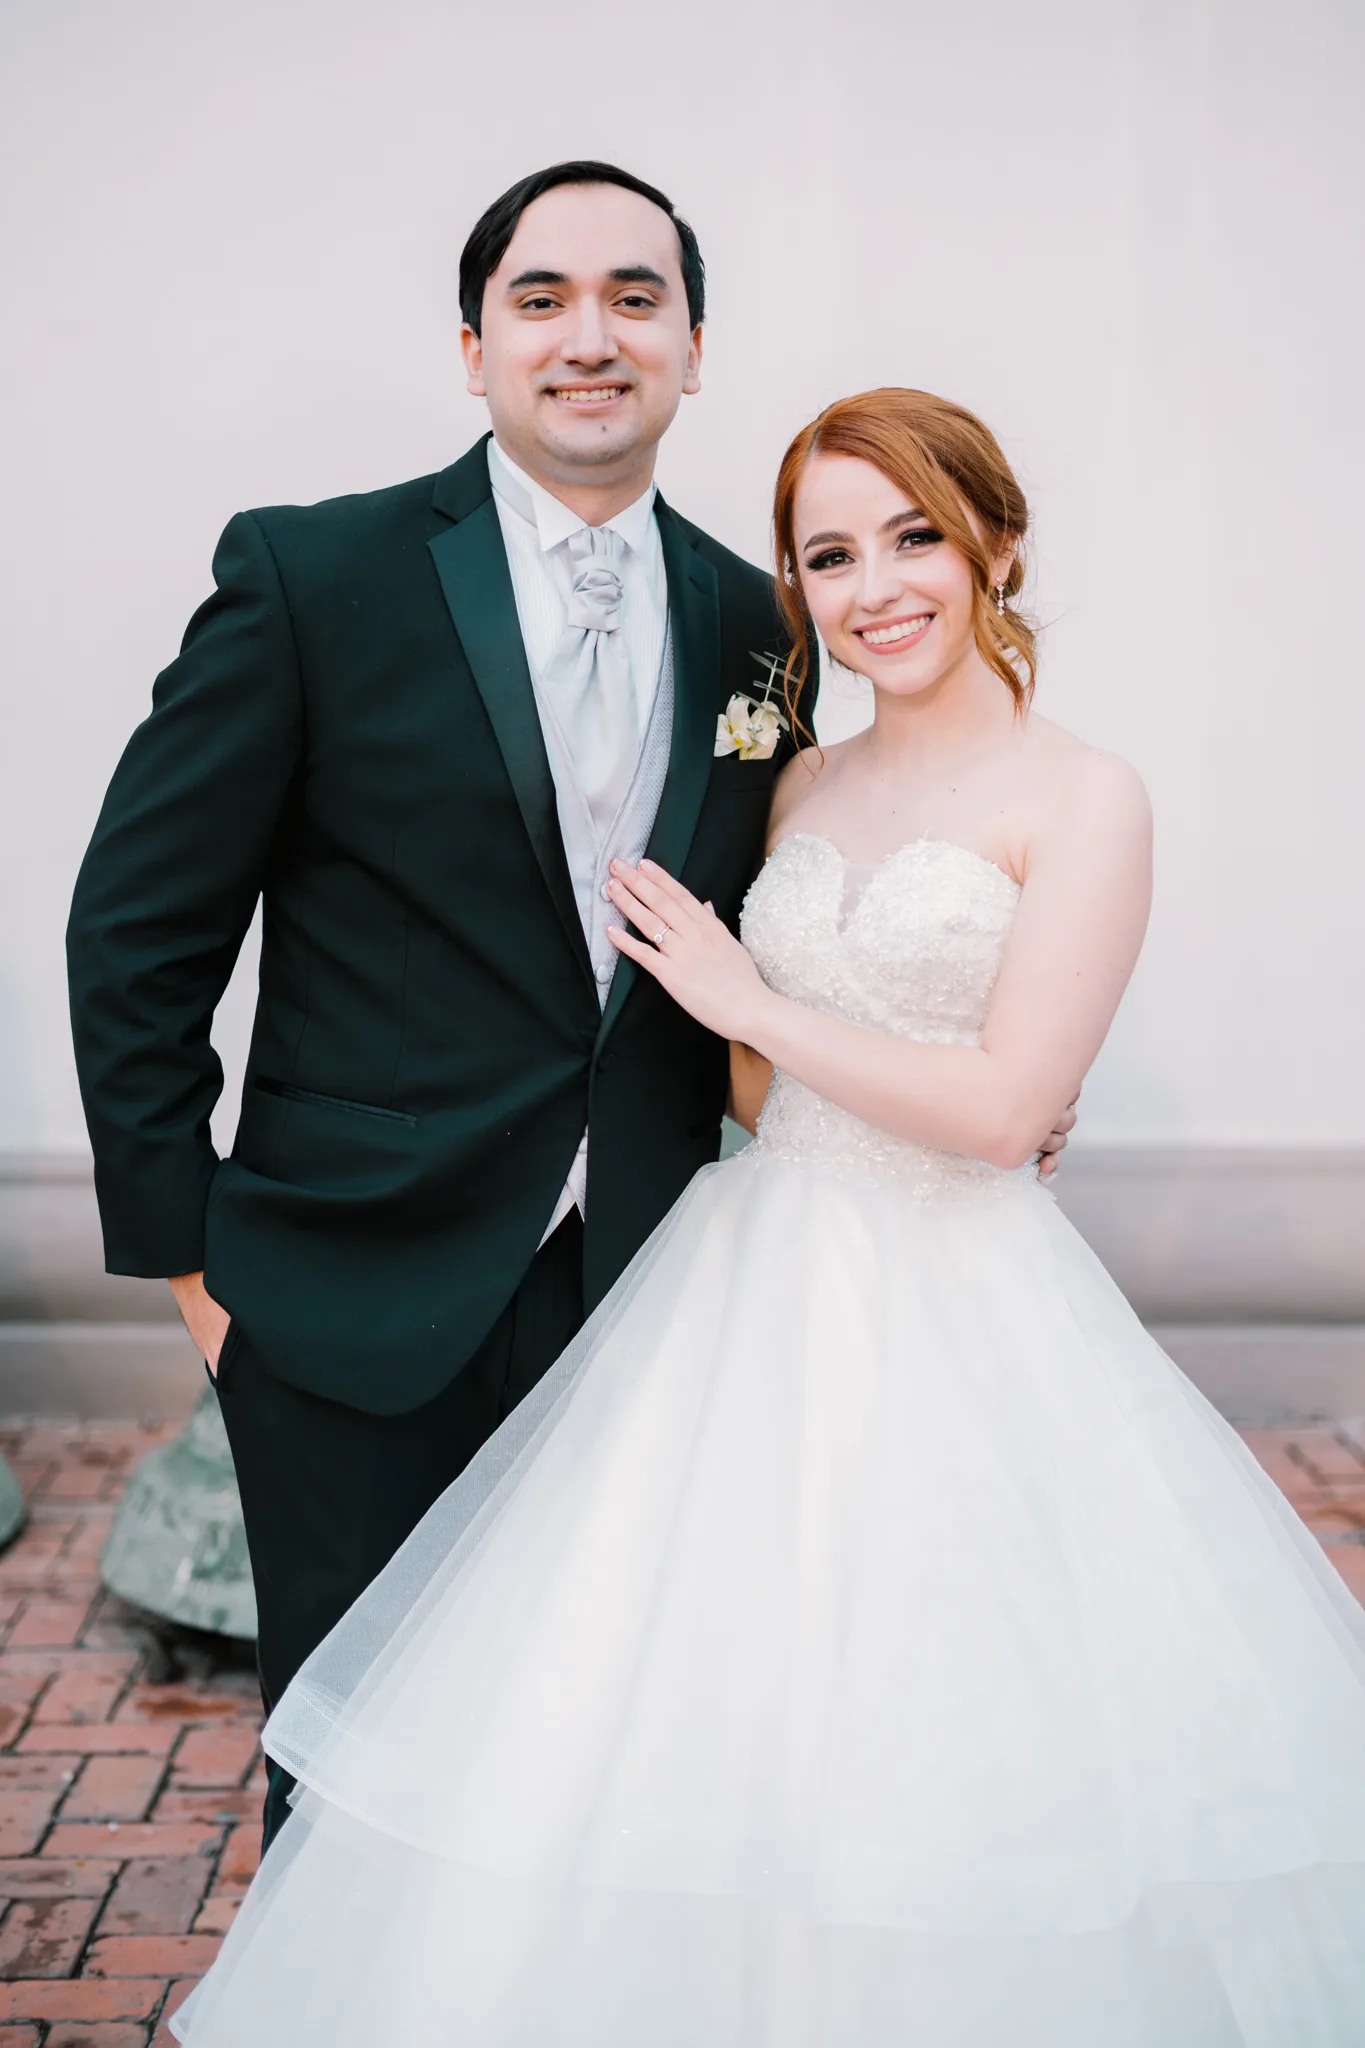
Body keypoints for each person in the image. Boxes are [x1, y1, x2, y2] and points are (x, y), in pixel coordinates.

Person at [171, 388, 1365, 2045]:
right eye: (828, 554)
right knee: (673, 1709)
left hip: (965, 1304)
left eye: (914, 537)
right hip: (755, 1278)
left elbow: (1010, 1107)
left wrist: (761, 1003)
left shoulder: (1088, 797)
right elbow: (753, 1088)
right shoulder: (796, 788)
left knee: (938, 1722)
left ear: (995, 545)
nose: (876, 584)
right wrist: (755, 1036)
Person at [71, 162, 999, 1846]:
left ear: (694, 349)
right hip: (345, 1300)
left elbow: (778, 948)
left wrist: (969, 1075)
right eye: (544, 298)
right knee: (350, 1788)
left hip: (648, 1298)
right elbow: (137, 928)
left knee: (599, 1787)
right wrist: (198, 1269)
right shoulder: (309, 577)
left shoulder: (757, 623)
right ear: (474, 345)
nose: (593, 336)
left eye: (637, 299)